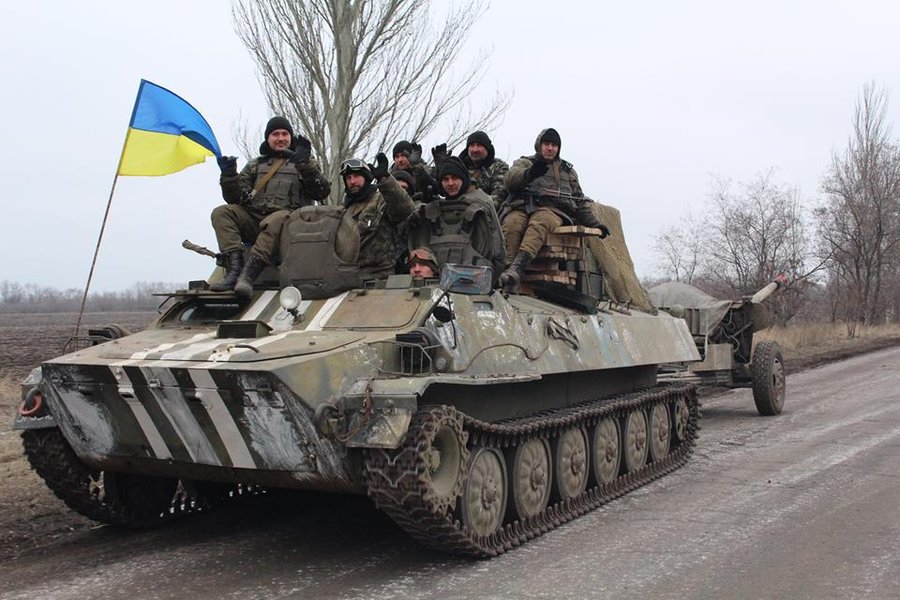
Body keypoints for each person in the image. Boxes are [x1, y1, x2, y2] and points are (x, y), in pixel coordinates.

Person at [210, 116, 330, 298]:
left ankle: (248, 276)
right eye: (275, 134)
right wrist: (229, 176)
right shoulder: (256, 165)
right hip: (257, 222)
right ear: (268, 138)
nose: (280, 138)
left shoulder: (303, 163)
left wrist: (305, 165)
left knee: (278, 218)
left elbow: (321, 192)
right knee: (221, 213)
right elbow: (235, 198)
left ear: (290, 137)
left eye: (285, 134)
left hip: (290, 227)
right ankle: (234, 270)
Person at [499, 128, 609, 293]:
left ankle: (517, 269)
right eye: (546, 144)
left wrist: (595, 224)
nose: (550, 148)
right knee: (512, 223)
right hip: (522, 206)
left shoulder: (567, 171)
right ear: (539, 145)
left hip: (554, 211)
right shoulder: (525, 163)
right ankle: (507, 274)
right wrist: (529, 174)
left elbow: (579, 201)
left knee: (540, 222)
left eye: (554, 145)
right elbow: (509, 180)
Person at [407, 156, 506, 279]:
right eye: (446, 179)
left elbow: (497, 249)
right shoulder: (433, 210)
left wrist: (492, 278)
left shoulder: (481, 202)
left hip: (473, 278)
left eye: (455, 178)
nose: (450, 183)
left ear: (463, 179)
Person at [341, 153, 416, 280]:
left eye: (356, 176)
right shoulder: (343, 210)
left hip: (380, 277)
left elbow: (405, 209)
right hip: (349, 277)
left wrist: (384, 179)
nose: (352, 181)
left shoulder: (381, 200)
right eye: (348, 178)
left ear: (366, 177)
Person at [458, 130, 509, 211]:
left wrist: (473, 209)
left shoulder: (499, 167)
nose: (475, 150)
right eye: (472, 145)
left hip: (485, 212)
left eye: (479, 145)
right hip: (457, 210)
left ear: (487, 148)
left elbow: (498, 197)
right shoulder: (459, 167)